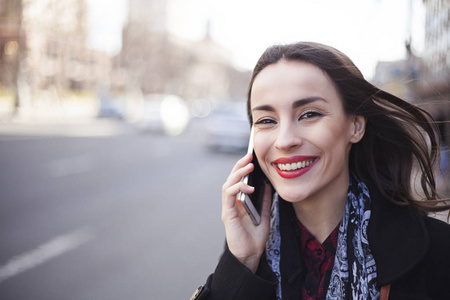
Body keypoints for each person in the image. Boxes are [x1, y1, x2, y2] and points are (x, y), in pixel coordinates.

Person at [191, 42, 450, 300]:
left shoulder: (437, 251)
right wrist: (242, 263)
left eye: (309, 114)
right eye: (267, 120)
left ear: (355, 127)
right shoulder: (248, 254)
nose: (284, 140)